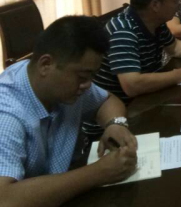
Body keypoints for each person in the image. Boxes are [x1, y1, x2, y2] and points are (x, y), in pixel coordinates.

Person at [0, 16, 138, 207]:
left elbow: (107, 101)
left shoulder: (65, 84)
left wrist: (115, 124)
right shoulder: (7, 116)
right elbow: (5, 198)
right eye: (82, 77)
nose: (87, 85)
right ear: (45, 65)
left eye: (91, 76)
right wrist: (98, 172)